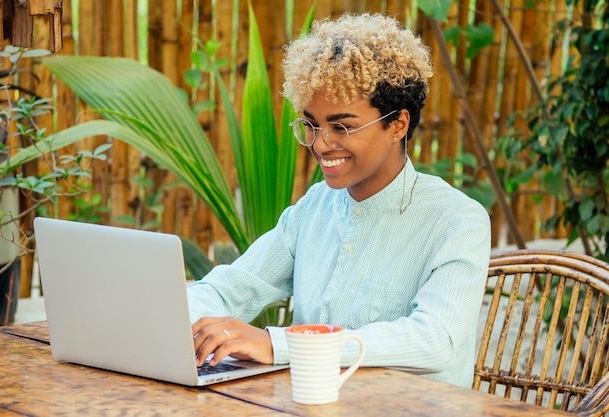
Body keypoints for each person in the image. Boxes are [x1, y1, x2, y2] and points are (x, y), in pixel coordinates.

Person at [187, 12, 491, 388]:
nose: (320, 143)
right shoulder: (315, 208)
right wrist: (167, 319)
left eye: (342, 127)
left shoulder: (457, 220)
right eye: (312, 124)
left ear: (397, 124)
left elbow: (434, 341)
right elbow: (229, 288)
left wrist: (279, 343)